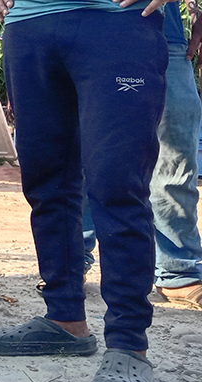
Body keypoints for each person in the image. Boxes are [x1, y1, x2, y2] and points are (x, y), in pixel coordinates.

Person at [0, 0, 168, 382]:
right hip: (29, 22)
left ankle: (128, 341)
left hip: (117, 21)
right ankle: (64, 319)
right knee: (45, 179)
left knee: (118, 182)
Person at [80, 1, 202, 310]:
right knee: (80, 146)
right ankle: (69, 260)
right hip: (77, 24)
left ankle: (179, 269)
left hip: (162, 30)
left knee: (176, 153)